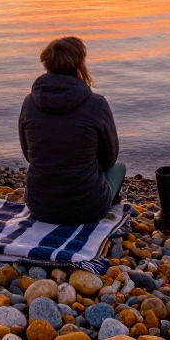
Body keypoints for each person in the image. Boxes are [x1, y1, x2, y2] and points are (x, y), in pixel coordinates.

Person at [18, 36, 125, 225]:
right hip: (88, 208)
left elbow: (29, 155)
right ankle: (110, 209)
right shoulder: (97, 104)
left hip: (40, 205)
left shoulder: (29, 102)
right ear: (80, 65)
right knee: (119, 168)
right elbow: (109, 159)